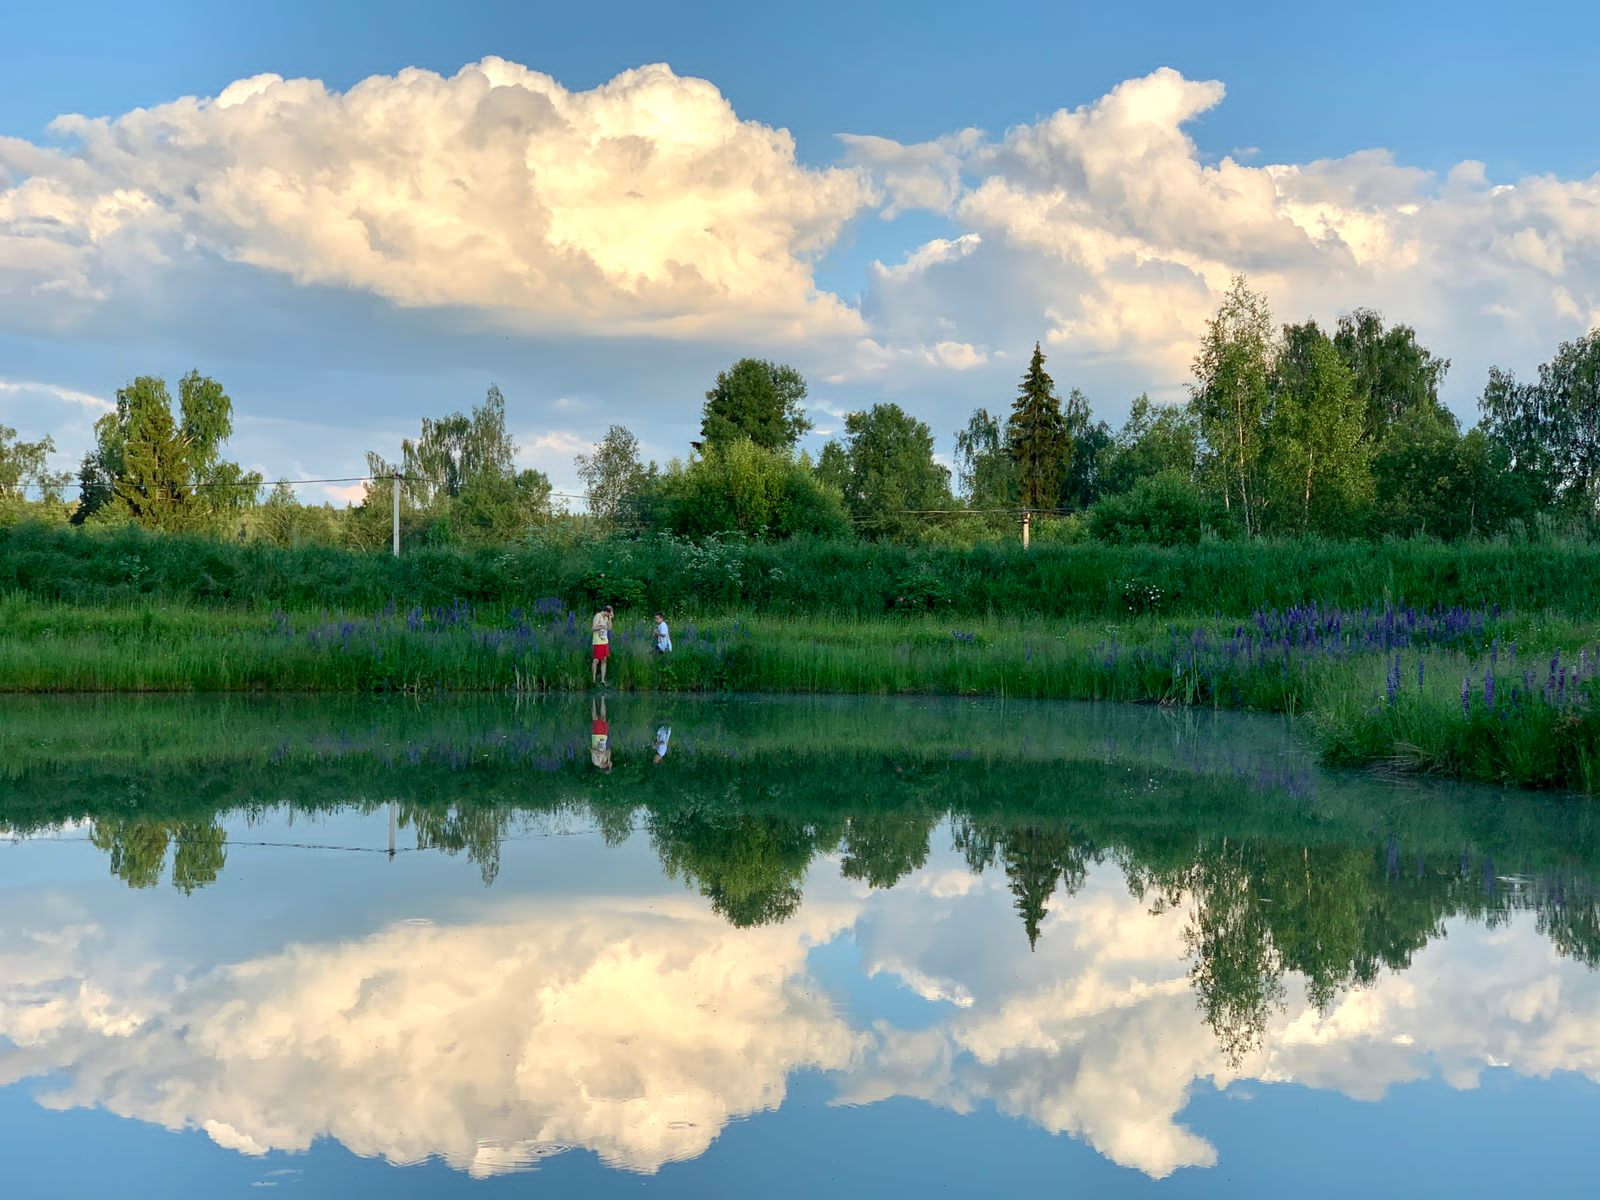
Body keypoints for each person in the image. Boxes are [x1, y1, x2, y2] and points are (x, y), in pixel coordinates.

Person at [590, 604, 614, 685]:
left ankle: (603, 680)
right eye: (609, 613)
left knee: (604, 660)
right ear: (606, 612)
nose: (609, 615)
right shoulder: (598, 616)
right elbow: (593, 628)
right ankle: (593, 680)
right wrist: (602, 626)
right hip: (597, 641)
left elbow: (610, 628)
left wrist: (610, 619)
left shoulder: (606, 618)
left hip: (605, 642)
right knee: (596, 660)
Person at [590, 696, 613, 772]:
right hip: (603, 737)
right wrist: (609, 759)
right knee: (603, 718)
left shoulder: (596, 762)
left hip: (596, 737)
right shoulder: (606, 760)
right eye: (608, 765)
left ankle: (593, 699)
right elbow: (609, 750)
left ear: (603, 767)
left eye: (607, 766)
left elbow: (591, 750)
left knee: (595, 718)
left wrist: (600, 752)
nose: (607, 764)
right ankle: (602, 697)